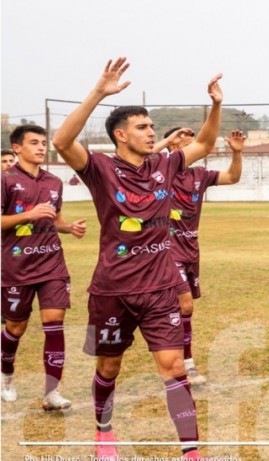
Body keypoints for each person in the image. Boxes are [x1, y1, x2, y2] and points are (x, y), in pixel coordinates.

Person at [51, 57, 224, 460]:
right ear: (120, 135)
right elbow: (61, 142)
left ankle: (191, 451)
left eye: (150, 126)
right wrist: (99, 92)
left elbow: (205, 144)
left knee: (174, 368)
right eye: (143, 128)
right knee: (108, 369)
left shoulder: (166, 163)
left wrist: (214, 105)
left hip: (162, 289)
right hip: (110, 292)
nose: (151, 133)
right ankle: (103, 434)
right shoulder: (100, 169)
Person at [1, 125, 87, 410]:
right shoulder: (5, 180)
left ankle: (52, 392)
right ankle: (6, 375)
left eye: (43, 143)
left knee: (54, 324)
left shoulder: (54, 182)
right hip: (16, 267)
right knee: (15, 326)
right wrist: (29, 213)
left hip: (52, 265)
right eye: (34, 143)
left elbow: (55, 220)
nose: (41, 147)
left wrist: (68, 227)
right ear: (17, 148)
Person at [156, 126, 245, 386]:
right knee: (185, 305)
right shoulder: (160, 171)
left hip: (191, 248)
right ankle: (186, 364)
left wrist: (237, 154)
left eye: (193, 141)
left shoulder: (200, 175)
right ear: (173, 147)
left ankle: (171, 355)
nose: (193, 145)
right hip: (166, 248)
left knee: (178, 309)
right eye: (184, 141)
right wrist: (164, 143)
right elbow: (142, 157)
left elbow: (232, 177)